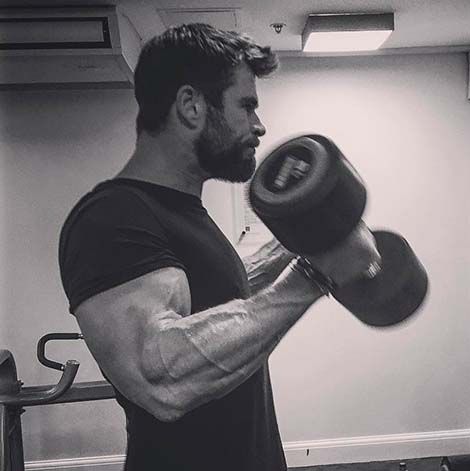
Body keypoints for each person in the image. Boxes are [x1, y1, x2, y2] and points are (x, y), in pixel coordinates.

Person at [58, 23, 380, 470]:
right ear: (191, 106)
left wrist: (296, 246)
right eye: (246, 105)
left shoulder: (179, 212)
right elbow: (161, 375)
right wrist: (315, 275)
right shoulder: (110, 218)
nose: (259, 125)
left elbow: (212, 300)